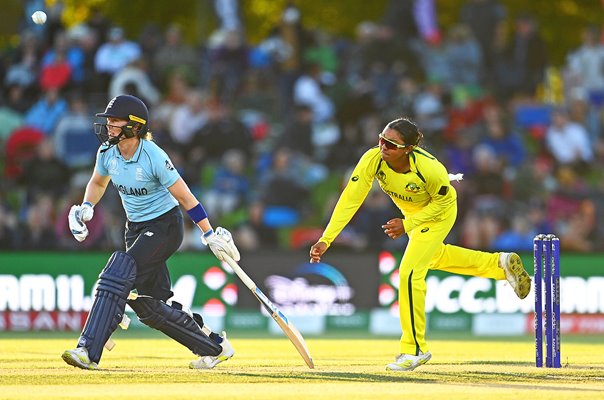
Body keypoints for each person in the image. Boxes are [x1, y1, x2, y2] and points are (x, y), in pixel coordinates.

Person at [309, 117, 531, 371]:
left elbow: (445, 202)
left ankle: (414, 349)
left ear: (408, 149)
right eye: (381, 139)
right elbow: (350, 199)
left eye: (391, 144)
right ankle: (499, 265)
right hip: (414, 216)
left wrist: (408, 224)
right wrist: (326, 239)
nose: (383, 147)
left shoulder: (430, 169)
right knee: (434, 257)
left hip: (439, 213)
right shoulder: (373, 160)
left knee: (409, 272)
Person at [61, 94, 240, 370]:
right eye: (108, 120)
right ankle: (214, 346)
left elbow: (186, 197)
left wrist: (208, 233)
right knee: (150, 306)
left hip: (165, 226)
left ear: (134, 126)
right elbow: (97, 183)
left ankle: (88, 349)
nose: (109, 126)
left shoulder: (153, 156)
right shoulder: (107, 153)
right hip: (135, 229)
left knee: (118, 271)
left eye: (115, 121)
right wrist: (87, 206)